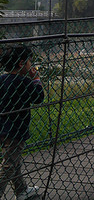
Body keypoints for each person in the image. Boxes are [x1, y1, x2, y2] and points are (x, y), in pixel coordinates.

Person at [0, 45, 44, 200]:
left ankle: (22, 190)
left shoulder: (2, 79)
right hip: (16, 130)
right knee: (9, 164)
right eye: (29, 62)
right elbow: (38, 97)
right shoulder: (24, 82)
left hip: (2, 126)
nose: (31, 65)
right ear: (21, 63)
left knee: (13, 160)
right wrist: (36, 80)